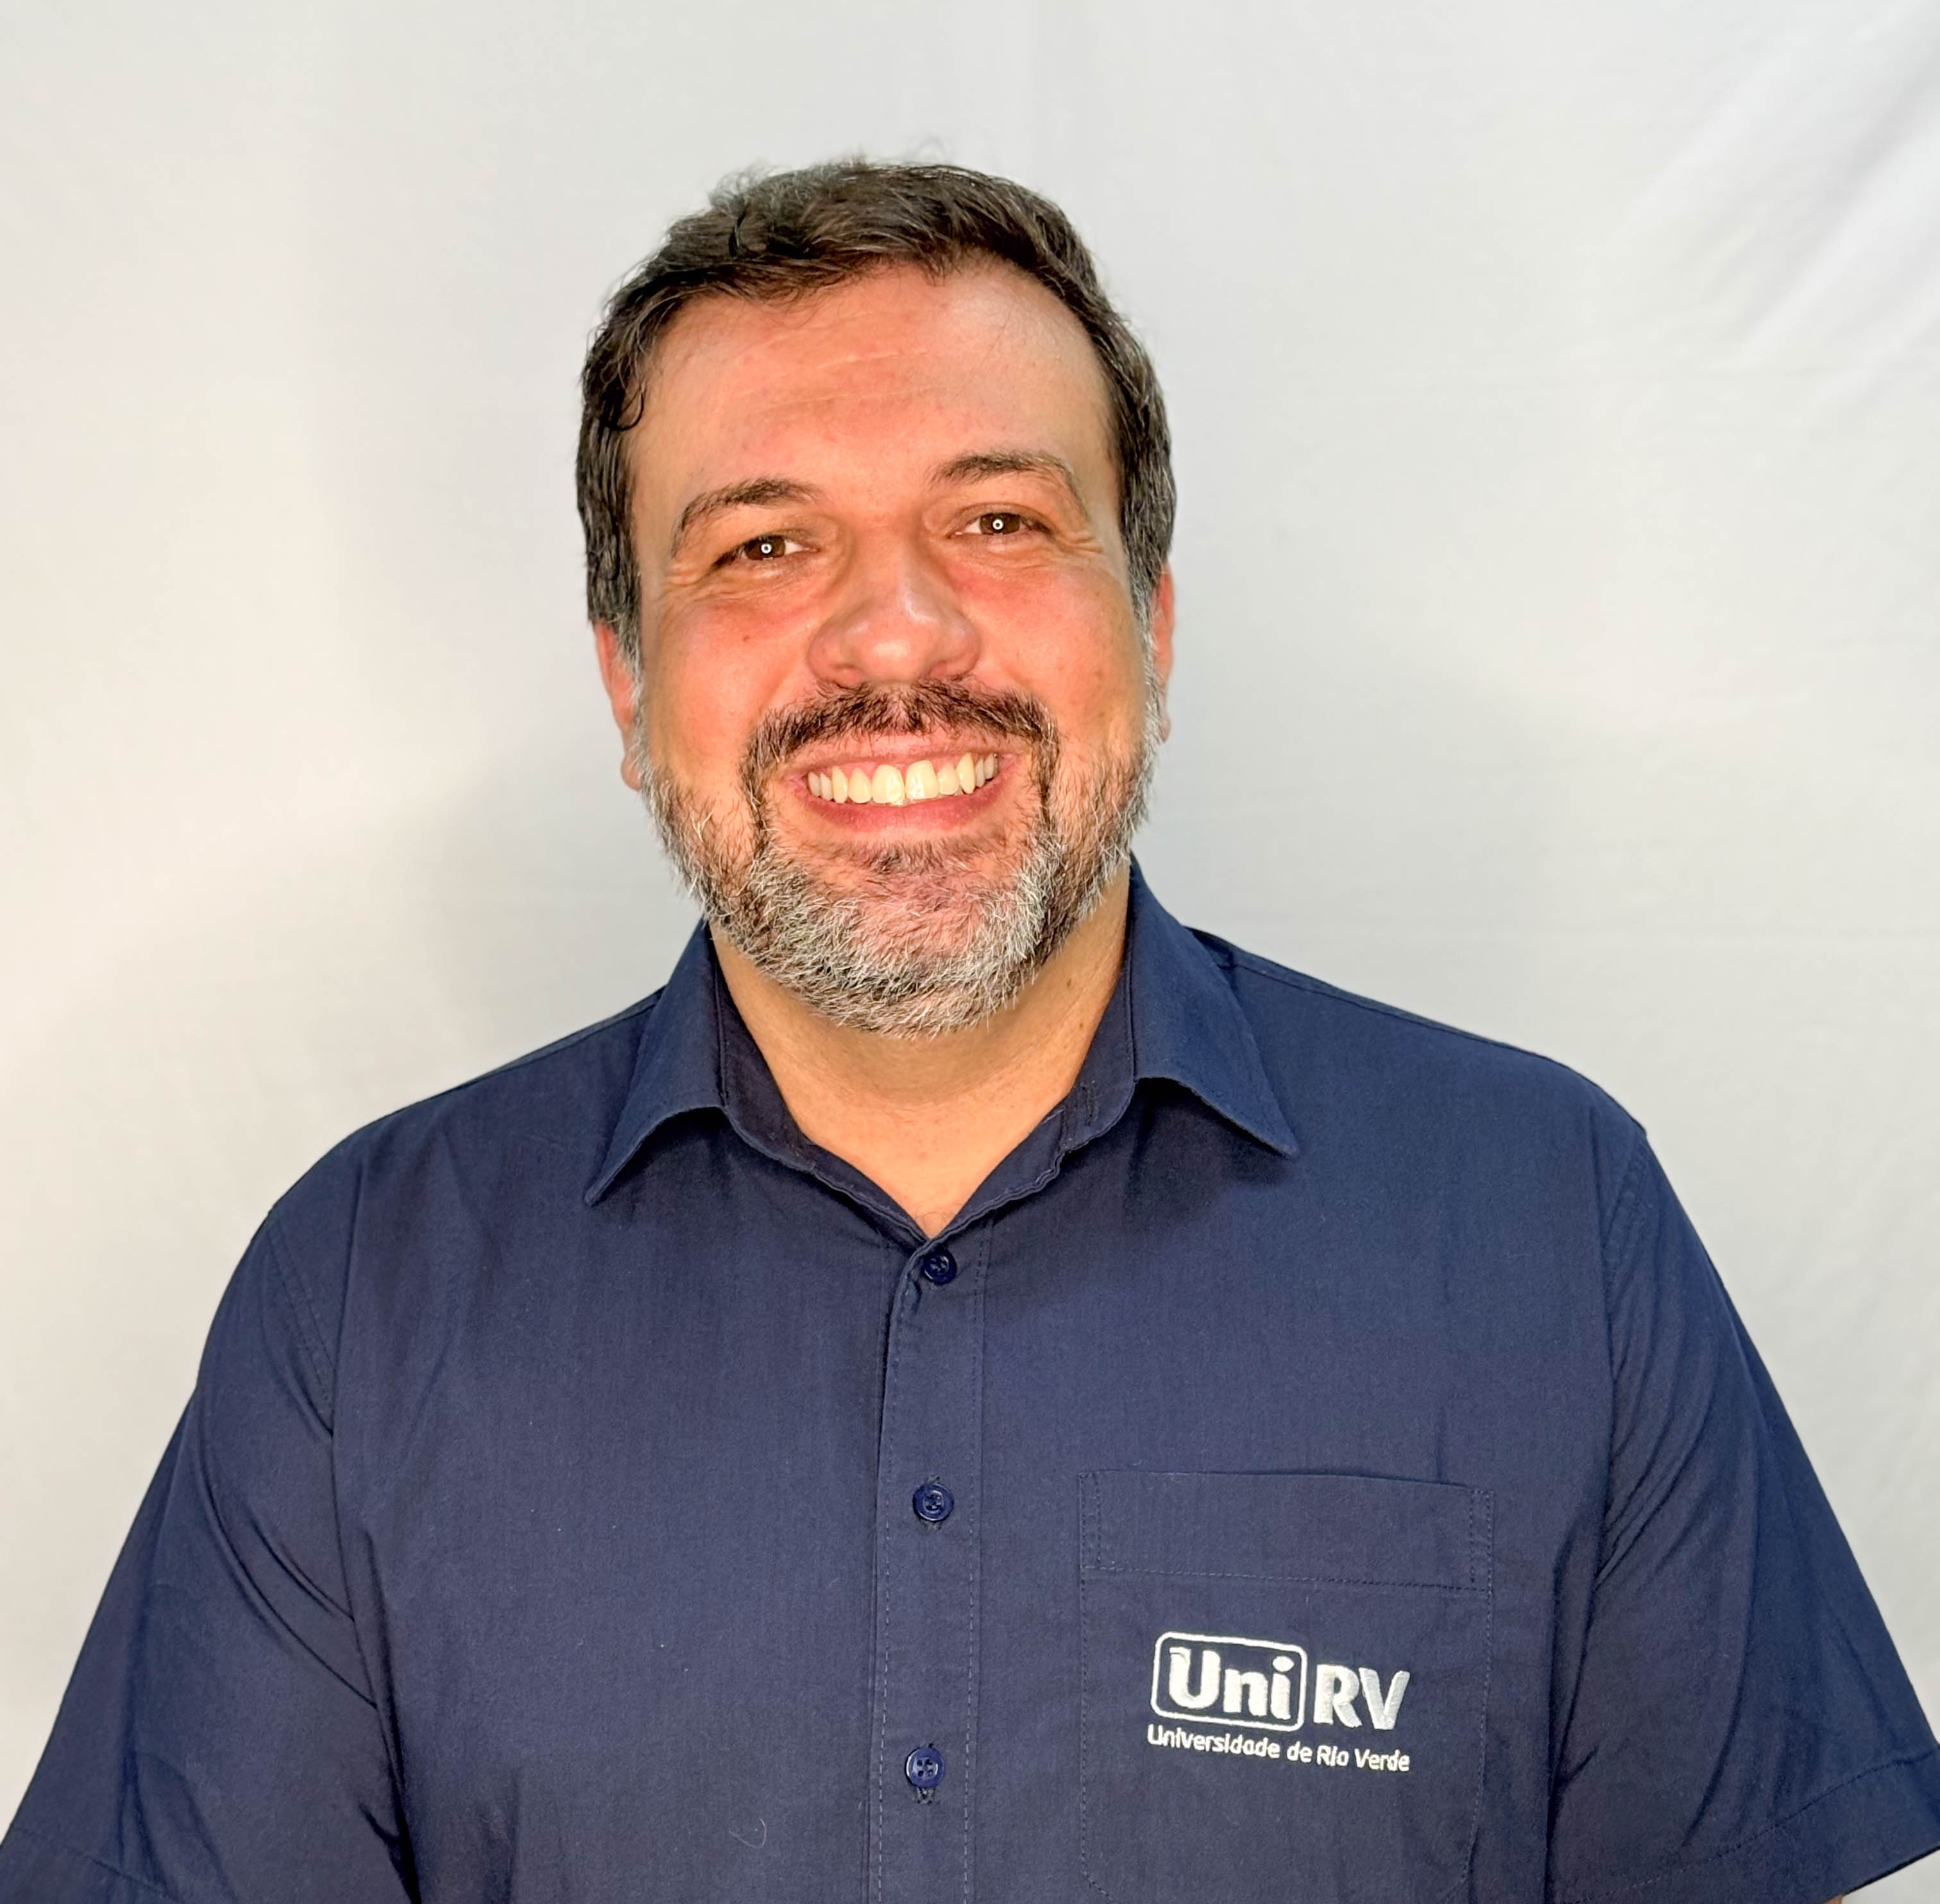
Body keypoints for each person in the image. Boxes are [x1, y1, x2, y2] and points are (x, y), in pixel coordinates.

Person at [1, 158, 1933, 1904]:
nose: (897, 638)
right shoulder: (365, 1292)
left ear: (1150, 625)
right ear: (628, 685)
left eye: (999, 519)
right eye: (764, 547)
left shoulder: (1545, 1222)